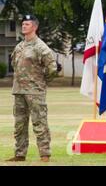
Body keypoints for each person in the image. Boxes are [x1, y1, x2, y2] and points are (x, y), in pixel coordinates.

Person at [7, 14, 59, 162]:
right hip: (19, 91)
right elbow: (14, 66)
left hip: (35, 92)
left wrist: (41, 83)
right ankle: (19, 154)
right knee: (19, 124)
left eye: (27, 24)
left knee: (39, 123)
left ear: (35, 27)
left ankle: (44, 155)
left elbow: (52, 69)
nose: (24, 26)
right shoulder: (19, 46)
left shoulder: (41, 47)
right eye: (23, 24)